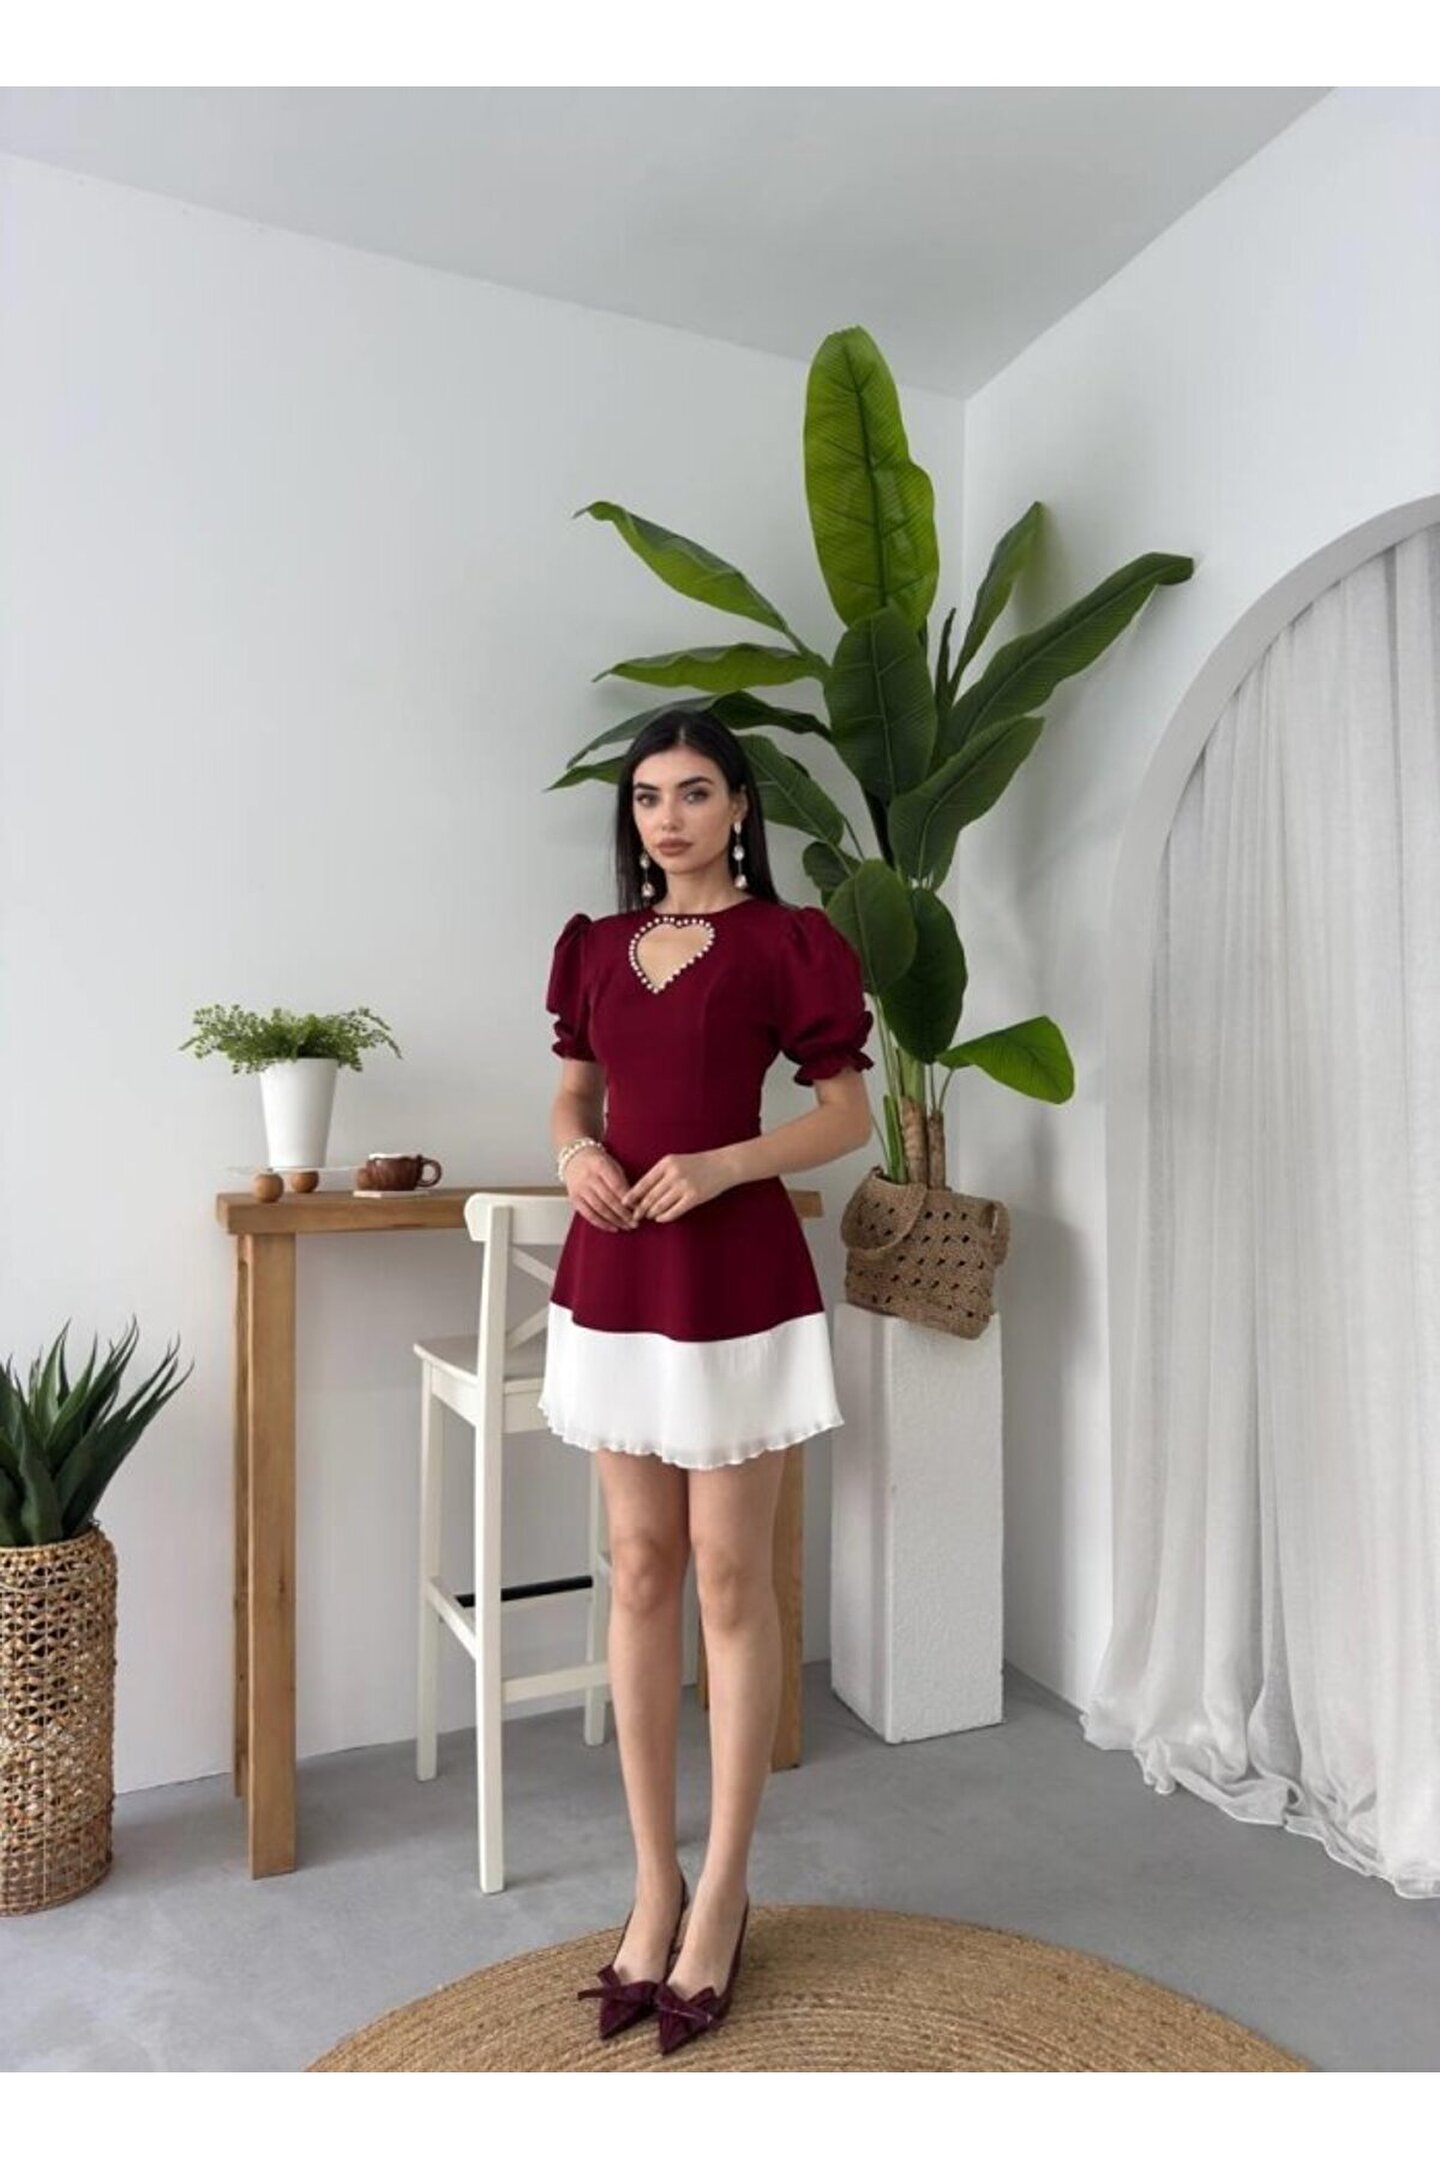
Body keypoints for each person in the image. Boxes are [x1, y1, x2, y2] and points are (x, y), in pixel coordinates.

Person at [536, 708, 875, 2055]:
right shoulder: (594, 948)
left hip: (735, 1277)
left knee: (732, 1581)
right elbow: (572, 1098)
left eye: (692, 793)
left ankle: (724, 1890)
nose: (665, 818)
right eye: (646, 797)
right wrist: (576, 1155)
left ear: (740, 807)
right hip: (616, 1272)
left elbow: (845, 1114)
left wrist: (727, 1163)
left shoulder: (792, 943)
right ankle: (652, 1881)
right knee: (639, 1568)